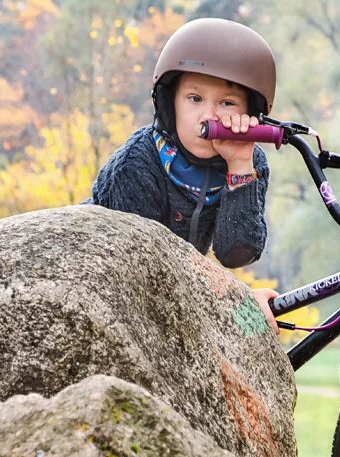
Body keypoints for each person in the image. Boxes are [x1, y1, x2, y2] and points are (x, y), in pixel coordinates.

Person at [88, 18, 280, 331]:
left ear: (249, 114)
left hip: (179, 292)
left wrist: (240, 167)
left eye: (227, 103)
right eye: (194, 99)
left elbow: (236, 253)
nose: (208, 115)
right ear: (170, 103)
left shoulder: (248, 160)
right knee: (244, 311)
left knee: (254, 326)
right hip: (104, 285)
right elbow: (143, 269)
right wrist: (235, 296)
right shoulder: (139, 161)